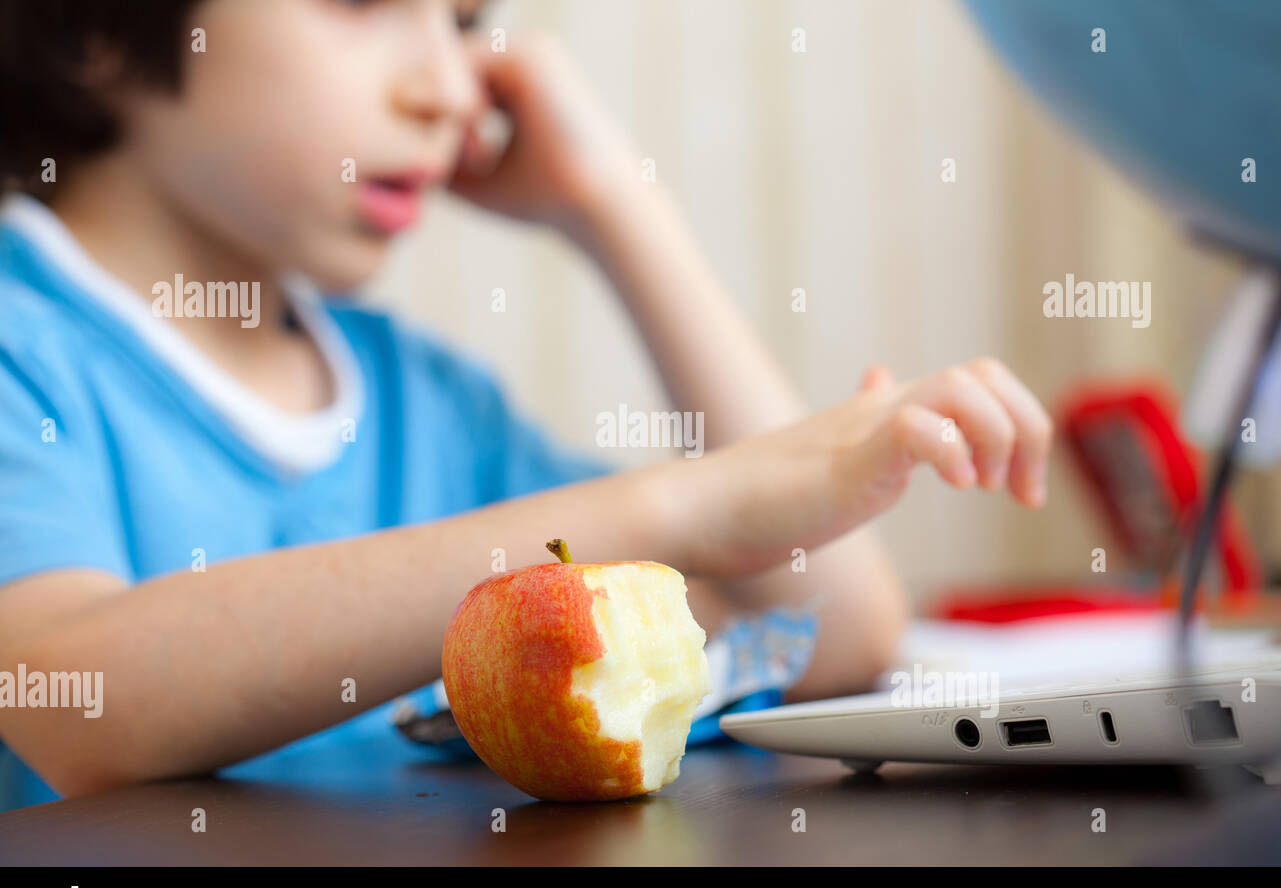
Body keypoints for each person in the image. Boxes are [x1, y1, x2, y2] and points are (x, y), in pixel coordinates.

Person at [0, 0, 1051, 811]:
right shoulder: (21, 345)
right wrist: (675, 507)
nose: (453, 90)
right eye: (366, 4)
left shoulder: (428, 400)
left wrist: (615, 208)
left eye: (466, 23)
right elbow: (73, 694)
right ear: (98, 24)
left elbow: (833, 626)